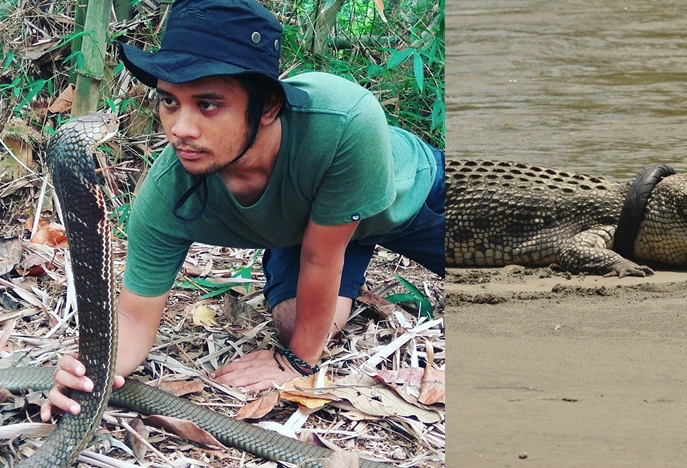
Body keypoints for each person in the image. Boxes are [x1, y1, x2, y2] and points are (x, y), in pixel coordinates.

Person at [43, 0, 443, 420]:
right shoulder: (167, 194)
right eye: (169, 101)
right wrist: (90, 372)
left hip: (408, 198)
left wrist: (296, 366)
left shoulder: (344, 120)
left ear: (268, 106)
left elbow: (321, 258)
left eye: (208, 104)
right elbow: (135, 318)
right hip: (310, 229)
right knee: (297, 327)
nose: (180, 128)